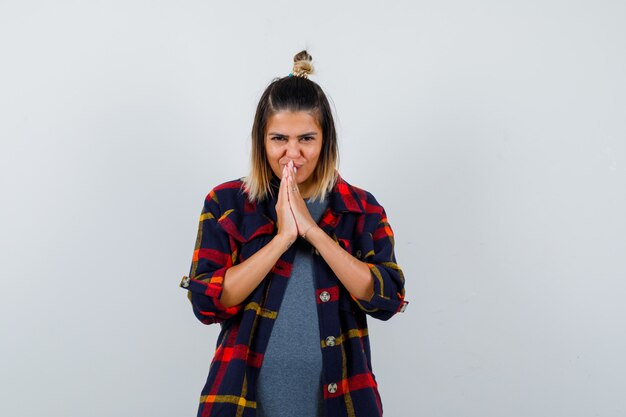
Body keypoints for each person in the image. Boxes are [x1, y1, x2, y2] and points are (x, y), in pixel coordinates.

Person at [179, 50, 409, 417]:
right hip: (241, 402)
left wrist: (314, 232)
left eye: (306, 138)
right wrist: (283, 237)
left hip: (341, 402)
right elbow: (208, 303)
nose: (292, 153)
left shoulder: (361, 209)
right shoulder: (226, 204)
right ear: (261, 141)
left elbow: (386, 299)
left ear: (325, 141)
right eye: (279, 139)